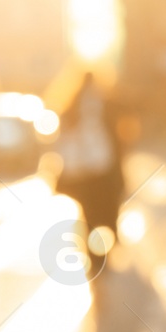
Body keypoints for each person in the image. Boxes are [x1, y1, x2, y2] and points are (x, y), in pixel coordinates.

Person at [55, 72, 125, 262]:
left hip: (80, 174)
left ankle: (95, 258)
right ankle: (102, 253)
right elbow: (118, 138)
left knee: (90, 216)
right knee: (105, 212)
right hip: (102, 171)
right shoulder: (105, 104)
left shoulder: (69, 106)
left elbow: (61, 143)